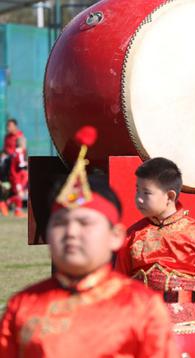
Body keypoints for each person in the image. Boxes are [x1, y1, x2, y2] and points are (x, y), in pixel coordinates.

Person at [0, 129, 179, 357]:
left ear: (115, 236)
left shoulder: (142, 309)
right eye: (60, 223)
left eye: (85, 223)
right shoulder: (23, 307)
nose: (71, 232)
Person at [115, 157, 195, 357]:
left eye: (146, 192)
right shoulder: (132, 235)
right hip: (140, 328)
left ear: (170, 196)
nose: (138, 197)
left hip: (184, 329)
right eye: (137, 190)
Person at [0, 118, 25, 216]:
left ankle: (12, 207)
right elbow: (4, 150)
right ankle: (8, 205)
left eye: (10, 126)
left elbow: (21, 150)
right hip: (7, 167)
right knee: (11, 189)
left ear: (15, 126)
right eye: (7, 126)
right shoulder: (7, 137)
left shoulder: (20, 137)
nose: (8, 128)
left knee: (18, 190)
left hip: (16, 167)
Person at [4, 136, 28, 217]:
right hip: (16, 178)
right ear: (22, 144)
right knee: (20, 195)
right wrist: (27, 164)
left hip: (13, 177)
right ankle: (6, 202)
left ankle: (18, 211)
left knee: (18, 194)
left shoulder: (15, 152)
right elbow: (21, 165)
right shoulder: (20, 153)